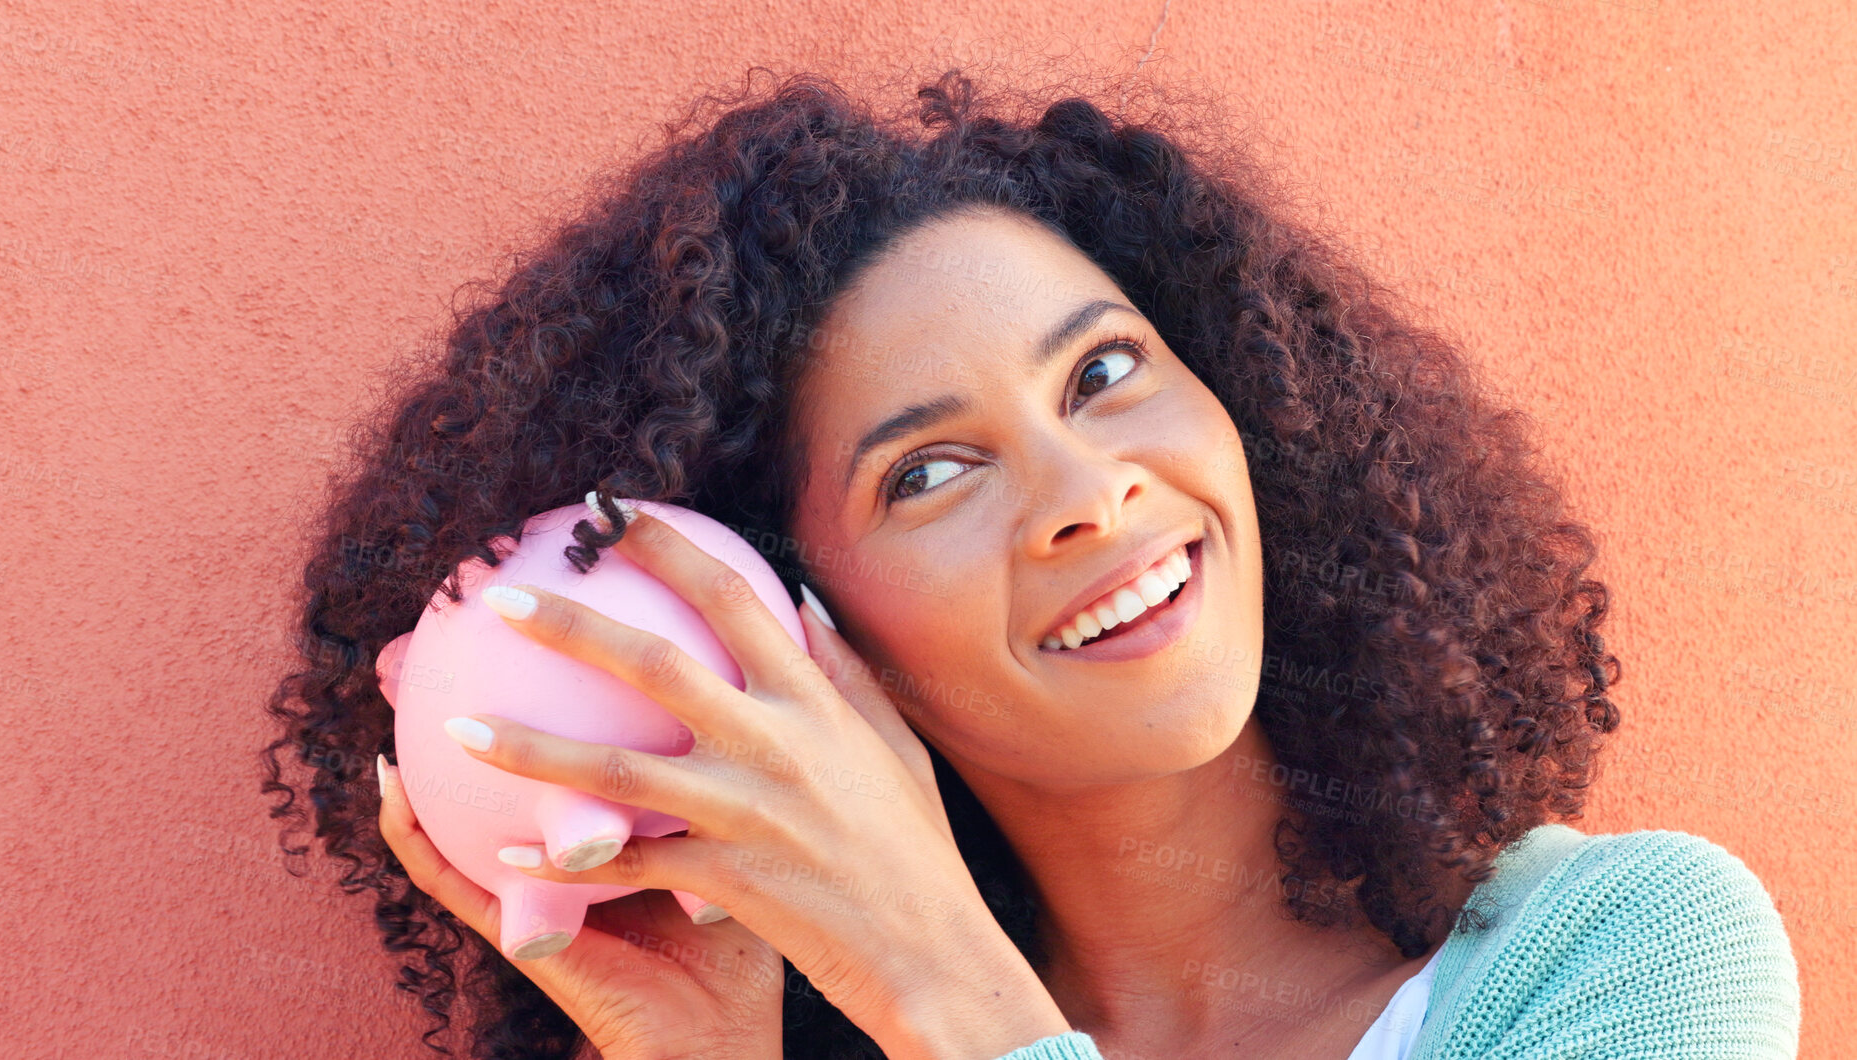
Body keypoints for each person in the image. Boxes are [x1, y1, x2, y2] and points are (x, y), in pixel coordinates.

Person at [263, 67, 1801, 1059]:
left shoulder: (1624, 956)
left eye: (1104, 374)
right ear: (797, 629)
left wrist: (950, 989)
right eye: (927, 471)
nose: (1084, 493)